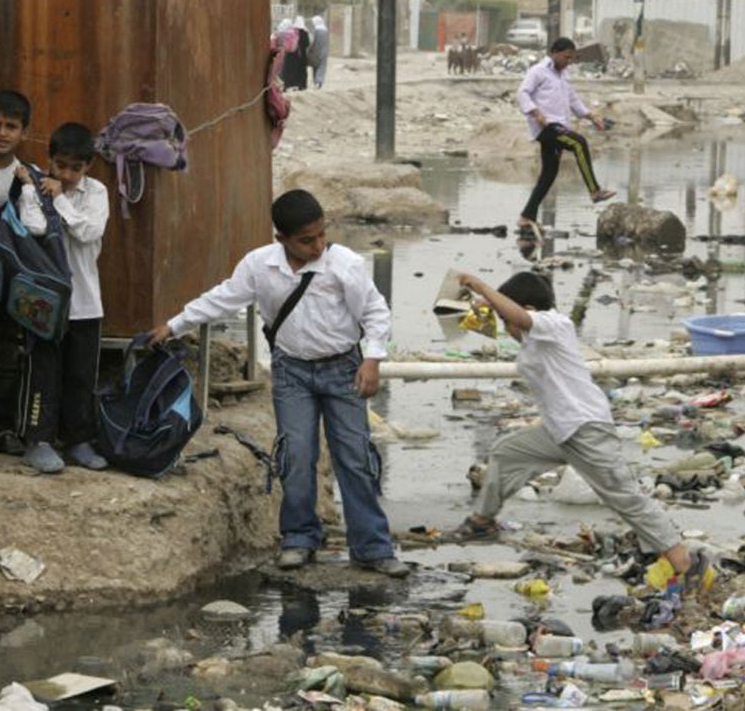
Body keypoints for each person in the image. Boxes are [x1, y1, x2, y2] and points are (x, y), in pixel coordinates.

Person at [148, 189, 409, 578]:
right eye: (306, 240)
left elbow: (375, 312)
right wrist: (174, 326)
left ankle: (372, 547)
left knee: (355, 457)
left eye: (322, 235)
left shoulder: (345, 264)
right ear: (281, 239)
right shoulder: (260, 265)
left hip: (343, 369)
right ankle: (299, 539)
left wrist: (372, 360)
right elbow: (222, 298)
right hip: (291, 372)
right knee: (296, 455)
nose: (318, 246)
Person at [449, 271, 696, 586]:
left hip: (586, 427)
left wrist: (483, 286)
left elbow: (521, 319)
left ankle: (681, 560)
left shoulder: (555, 324)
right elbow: (515, 323)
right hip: (559, 431)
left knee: (623, 497)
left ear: (529, 308)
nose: (506, 327)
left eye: (506, 320)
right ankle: (482, 521)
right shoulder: (532, 339)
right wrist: (480, 306)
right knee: (505, 453)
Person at [13, 123, 110, 473]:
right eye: (60, 166)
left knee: (81, 375)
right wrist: (34, 189)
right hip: (45, 302)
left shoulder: (96, 191)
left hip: (85, 300)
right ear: (50, 160)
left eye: (75, 168)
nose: (66, 174)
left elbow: (89, 232)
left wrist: (59, 199)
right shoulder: (33, 187)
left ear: (89, 166)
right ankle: (38, 441)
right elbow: (35, 228)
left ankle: (78, 440)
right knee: (43, 371)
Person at [516, 37, 615, 233]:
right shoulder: (538, 71)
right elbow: (522, 93)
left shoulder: (563, 75)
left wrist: (592, 116)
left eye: (571, 58)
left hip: (559, 125)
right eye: (566, 57)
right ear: (554, 52)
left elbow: (573, 100)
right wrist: (535, 112)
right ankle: (595, 191)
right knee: (579, 143)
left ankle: (526, 217)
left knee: (549, 175)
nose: (568, 62)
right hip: (546, 127)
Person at [0, 89, 31, 457]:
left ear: (23, 132)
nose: (2, 133)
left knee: (4, 351)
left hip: (5, 279)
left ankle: (0, 428)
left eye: (11, 126)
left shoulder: (24, 177)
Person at [308, 15, 329, 89]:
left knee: (315, 66)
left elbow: (313, 41)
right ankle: (319, 81)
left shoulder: (316, 30)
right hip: (324, 51)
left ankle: (316, 81)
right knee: (322, 67)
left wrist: (309, 50)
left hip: (316, 51)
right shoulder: (325, 30)